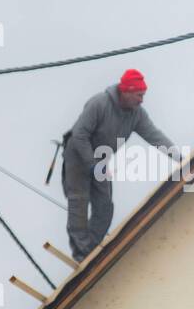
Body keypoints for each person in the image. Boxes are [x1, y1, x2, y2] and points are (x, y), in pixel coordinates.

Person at [62, 68, 175, 262]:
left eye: (143, 95)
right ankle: (81, 253)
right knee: (79, 201)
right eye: (139, 95)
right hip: (78, 155)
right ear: (127, 92)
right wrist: (92, 164)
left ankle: (92, 249)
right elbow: (79, 135)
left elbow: (154, 135)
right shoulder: (99, 104)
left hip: (101, 159)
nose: (141, 100)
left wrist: (180, 157)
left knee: (105, 204)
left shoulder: (136, 114)